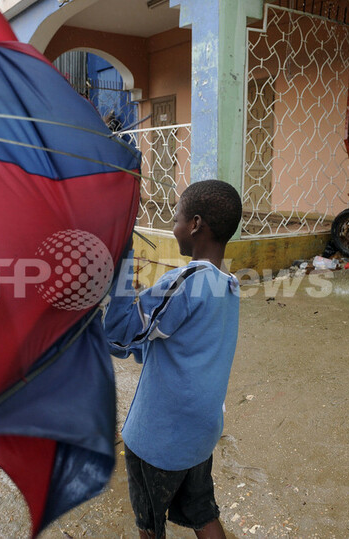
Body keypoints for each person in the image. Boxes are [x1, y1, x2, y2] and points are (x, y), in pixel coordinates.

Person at [104, 179, 243, 539]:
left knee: (150, 525)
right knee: (203, 513)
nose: (172, 225)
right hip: (198, 435)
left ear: (195, 225)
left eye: (176, 217)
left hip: (159, 439)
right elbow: (168, 341)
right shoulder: (227, 285)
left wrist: (123, 265)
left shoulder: (186, 280)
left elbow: (118, 335)